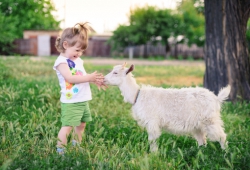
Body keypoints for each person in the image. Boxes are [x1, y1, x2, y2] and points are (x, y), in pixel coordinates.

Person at [53, 22, 106, 154]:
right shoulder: (61, 62)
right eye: (77, 50)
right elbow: (70, 78)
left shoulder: (77, 60)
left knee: (82, 124)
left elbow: (81, 76)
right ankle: (61, 151)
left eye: (82, 50)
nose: (80, 53)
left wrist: (94, 80)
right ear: (65, 45)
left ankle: (76, 144)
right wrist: (89, 78)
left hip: (82, 99)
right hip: (71, 101)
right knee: (68, 126)